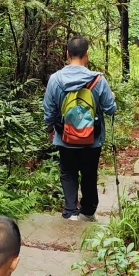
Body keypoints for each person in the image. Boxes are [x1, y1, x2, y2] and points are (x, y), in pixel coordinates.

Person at [42, 33, 117, 220]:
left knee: (68, 172)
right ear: (87, 54)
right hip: (92, 138)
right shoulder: (98, 80)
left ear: (67, 54)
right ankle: (88, 211)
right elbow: (110, 109)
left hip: (65, 136)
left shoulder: (55, 80)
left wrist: (50, 130)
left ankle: (70, 212)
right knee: (89, 173)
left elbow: (49, 111)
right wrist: (111, 99)